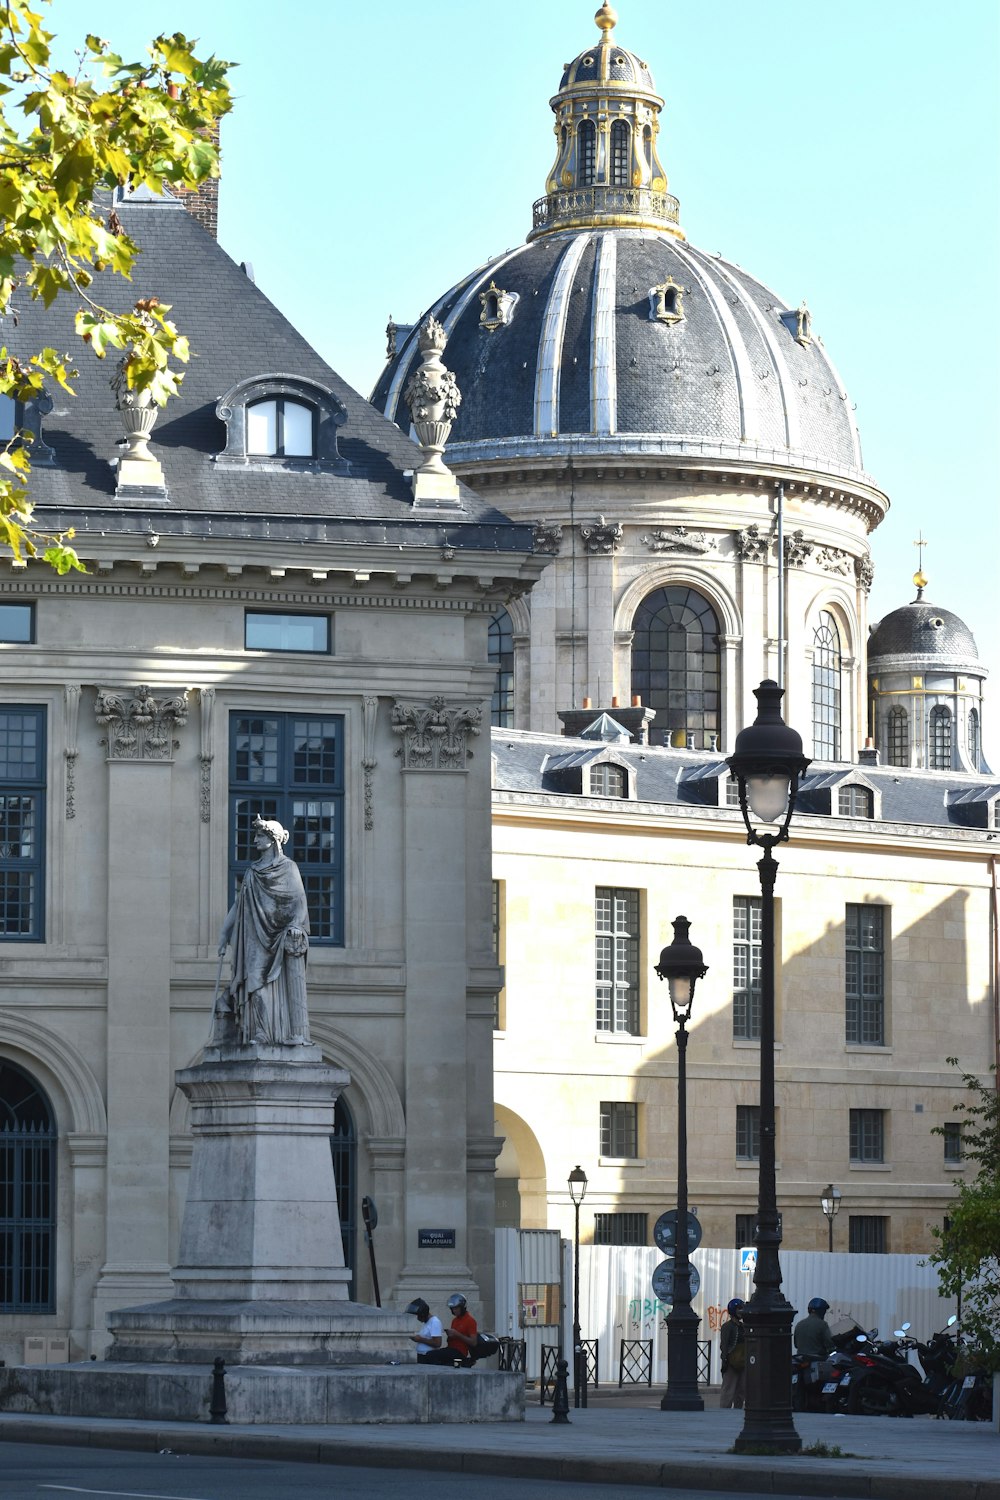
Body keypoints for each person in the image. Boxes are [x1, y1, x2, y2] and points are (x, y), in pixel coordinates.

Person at [217, 814, 311, 1046]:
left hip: (280, 935)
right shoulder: (252, 872)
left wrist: (297, 926)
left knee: (262, 981)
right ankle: (260, 1031)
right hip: (254, 935)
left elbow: (299, 900)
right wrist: (223, 933)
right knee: (254, 982)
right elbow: (239, 905)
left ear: (273, 839)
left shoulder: (288, 868)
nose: (255, 840)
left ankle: (272, 1033)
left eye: (260, 835)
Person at [416, 1292, 479, 1366]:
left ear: (462, 1307)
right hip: (451, 1349)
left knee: (432, 1355)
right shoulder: (455, 1320)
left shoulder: (470, 1321)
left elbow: (473, 1342)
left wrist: (457, 1334)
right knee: (428, 1355)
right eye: (452, 1309)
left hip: (460, 1352)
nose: (454, 1311)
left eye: (456, 1308)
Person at [719, 1297, 746, 1409]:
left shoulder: (744, 1327)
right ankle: (725, 1411)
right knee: (728, 1389)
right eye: (739, 1309)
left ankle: (738, 1410)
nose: (741, 1312)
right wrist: (725, 1359)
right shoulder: (727, 1326)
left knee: (741, 1390)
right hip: (731, 1361)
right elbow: (724, 1345)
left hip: (743, 1361)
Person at [794, 1296, 835, 1362]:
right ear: (821, 1311)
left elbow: (796, 1344)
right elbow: (829, 1344)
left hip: (800, 1359)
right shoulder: (822, 1324)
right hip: (817, 1360)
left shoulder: (799, 1324)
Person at [406, 1297, 444, 1361]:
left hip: (428, 1356)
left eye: (418, 1316)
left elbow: (437, 1343)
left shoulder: (434, 1322)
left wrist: (420, 1339)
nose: (418, 1319)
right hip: (421, 1355)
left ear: (423, 1314)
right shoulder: (426, 1323)